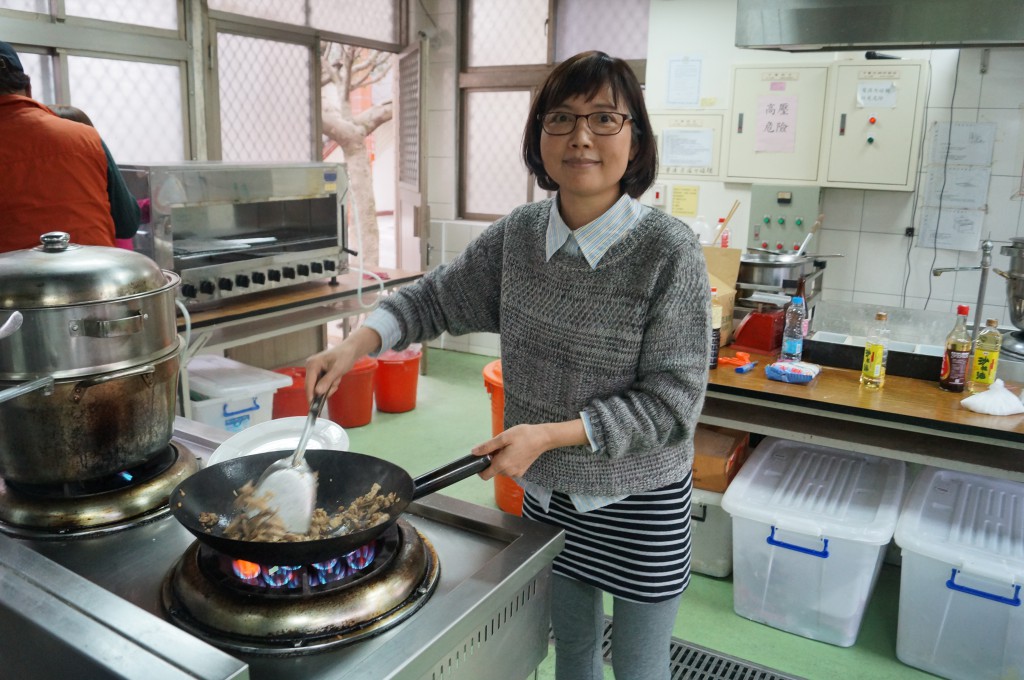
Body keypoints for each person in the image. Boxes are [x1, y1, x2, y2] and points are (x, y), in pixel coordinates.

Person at [306, 51, 710, 680]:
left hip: (639, 500)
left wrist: (548, 435)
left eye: (605, 118)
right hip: (548, 492)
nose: (581, 137)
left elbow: (672, 404)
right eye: (561, 118)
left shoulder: (668, 251)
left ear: (635, 139)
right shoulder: (520, 236)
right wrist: (356, 342)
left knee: (639, 665)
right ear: (539, 136)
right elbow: (434, 298)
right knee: (570, 647)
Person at [0, 40, 140, 253]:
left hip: (15, 275)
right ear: (28, 89)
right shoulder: (85, 137)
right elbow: (127, 223)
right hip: (97, 271)